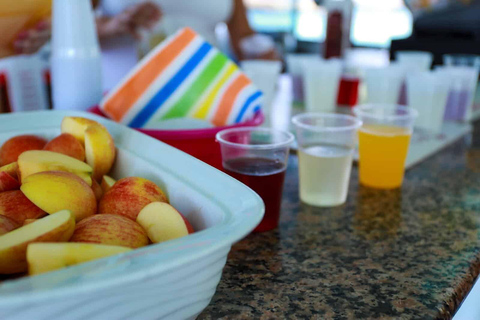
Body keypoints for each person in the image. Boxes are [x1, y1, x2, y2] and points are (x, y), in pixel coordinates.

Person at [13, 0, 278, 90]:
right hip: (118, 102)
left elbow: (244, 35)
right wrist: (111, 25)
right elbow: (68, 17)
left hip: (205, 102)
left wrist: (264, 52)